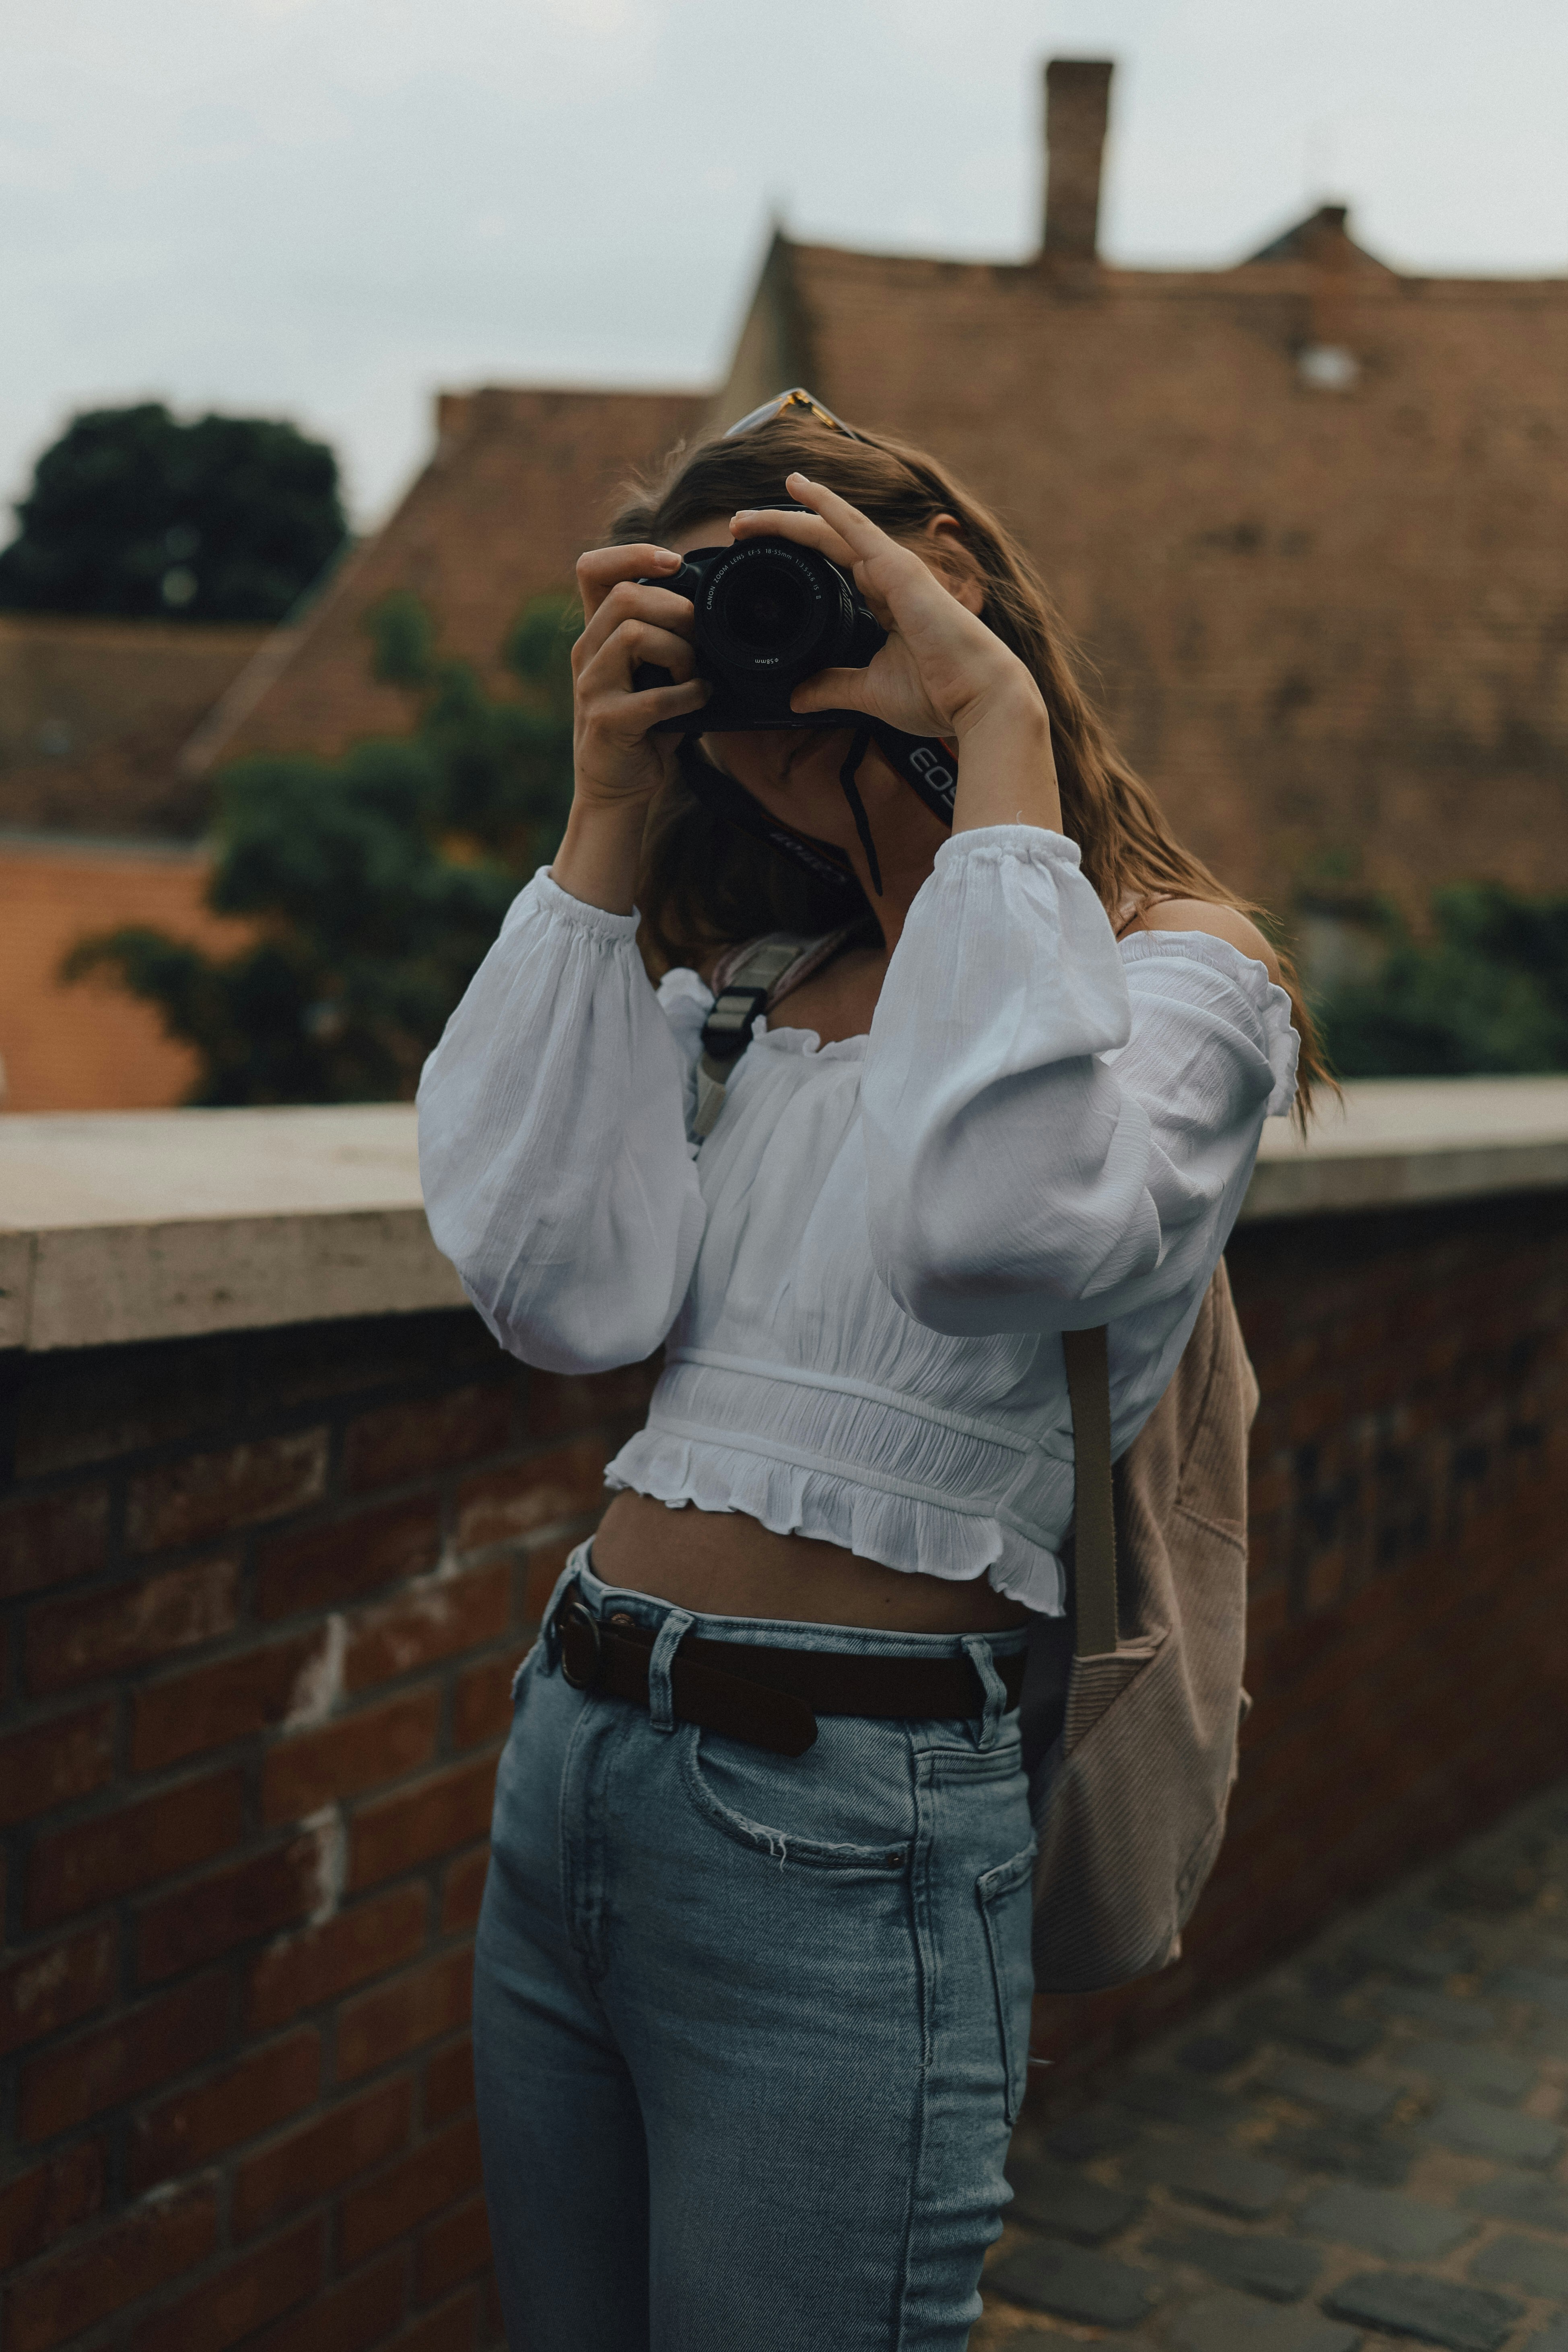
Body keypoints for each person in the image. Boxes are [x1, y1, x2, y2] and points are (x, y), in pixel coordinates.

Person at [417, 395, 1318, 2352]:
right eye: (702, 623)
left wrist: (985, 741)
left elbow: (990, 1235)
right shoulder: (739, 989)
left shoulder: (1175, 981)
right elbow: (550, 1288)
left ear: (946, 593)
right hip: (574, 1754)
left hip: (850, 1822)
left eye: (794, 603)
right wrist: (603, 814)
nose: (752, 668)